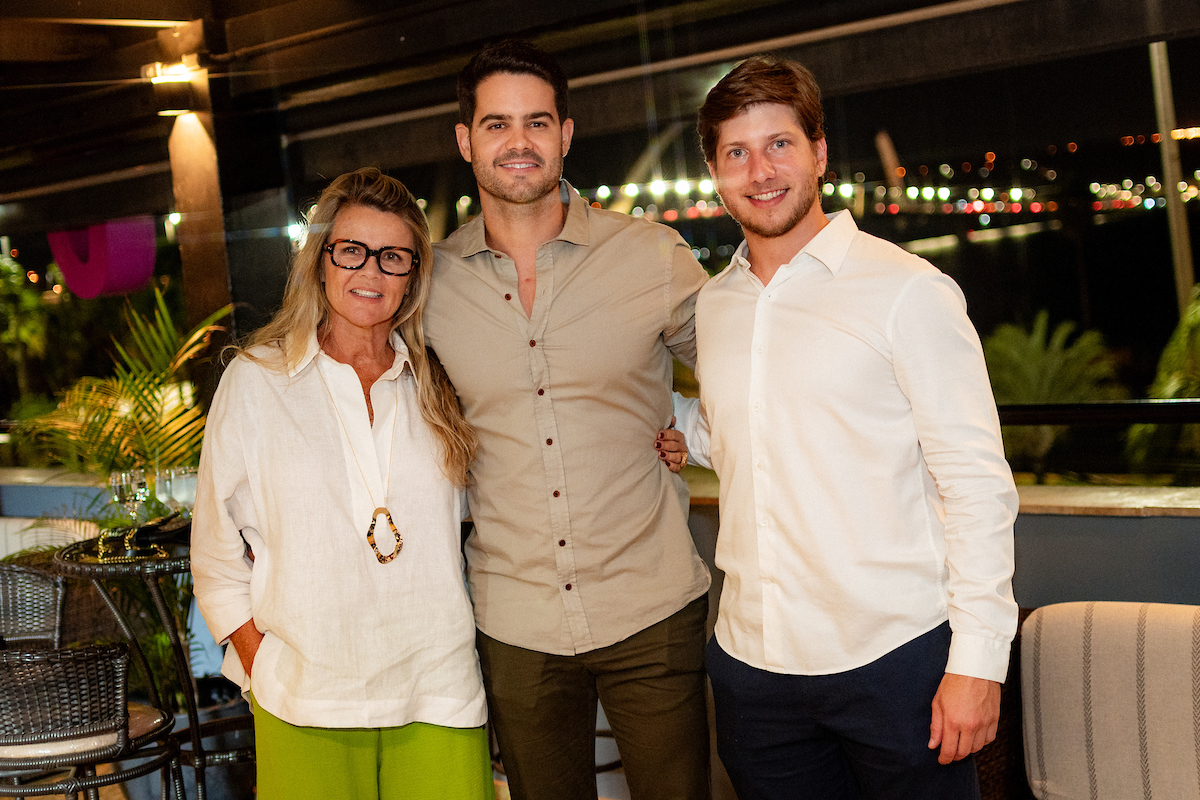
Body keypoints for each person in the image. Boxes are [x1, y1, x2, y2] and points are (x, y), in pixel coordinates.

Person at [671, 55, 1019, 799]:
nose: (760, 169)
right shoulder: (717, 304)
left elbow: (976, 484)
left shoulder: (907, 291)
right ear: (714, 171)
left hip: (894, 662)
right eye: (737, 152)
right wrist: (677, 431)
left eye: (779, 144)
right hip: (752, 669)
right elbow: (751, 425)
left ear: (819, 153)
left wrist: (979, 662)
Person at [422, 39, 711, 800]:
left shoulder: (650, 255)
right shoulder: (431, 287)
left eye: (537, 122)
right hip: (514, 618)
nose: (519, 142)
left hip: (651, 604)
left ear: (565, 134)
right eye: (496, 124)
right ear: (466, 140)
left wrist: (698, 431)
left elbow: (751, 368)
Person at [191, 167, 494, 800]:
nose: (371, 273)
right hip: (306, 697)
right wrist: (262, 661)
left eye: (393, 258)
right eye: (352, 251)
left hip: (439, 688)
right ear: (321, 261)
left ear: (414, 276)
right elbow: (216, 555)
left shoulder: (442, 382)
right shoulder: (256, 382)